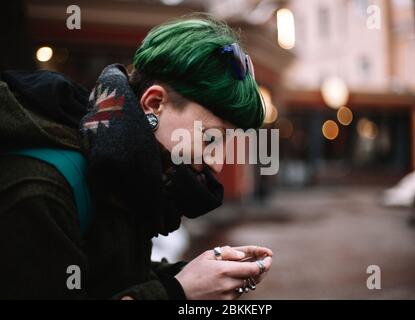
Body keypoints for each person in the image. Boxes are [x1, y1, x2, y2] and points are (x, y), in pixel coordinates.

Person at [0, 14, 273, 299]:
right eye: (211, 138)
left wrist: (197, 276)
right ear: (154, 104)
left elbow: (108, 276)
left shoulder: (126, 172)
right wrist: (178, 292)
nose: (217, 162)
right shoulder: (41, 190)